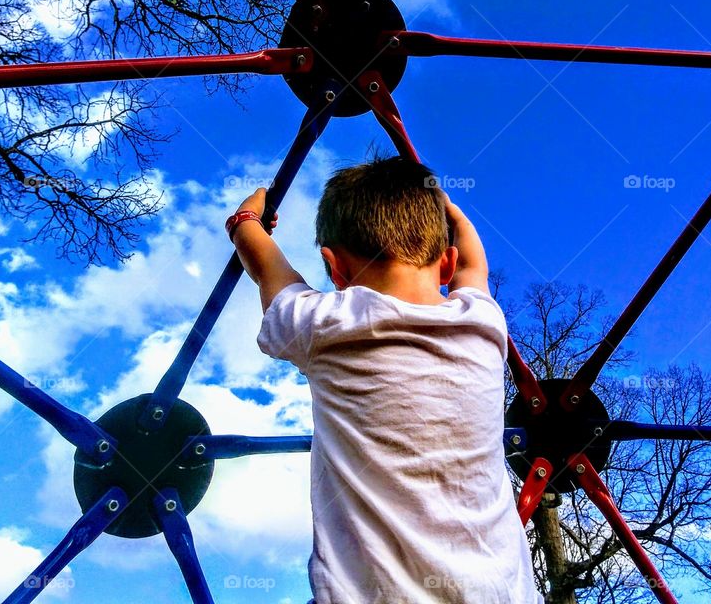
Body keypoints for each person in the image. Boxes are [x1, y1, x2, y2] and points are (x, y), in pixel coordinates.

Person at [229, 155, 542, 604]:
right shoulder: (481, 324)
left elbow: (267, 268)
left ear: (334, 268)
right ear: (447, 263)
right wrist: (445, 207)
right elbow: (476, 266)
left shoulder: (323, 325)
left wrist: (245, 219)